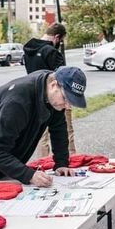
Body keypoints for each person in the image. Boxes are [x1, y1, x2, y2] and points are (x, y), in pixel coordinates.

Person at [0, 66, 87, 229]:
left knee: (5, 214)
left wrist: (62, 164)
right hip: (1, 152)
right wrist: (27, 174)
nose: (67, 105)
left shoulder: (51, 99)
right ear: (54, 85)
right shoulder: (19, 100)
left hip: (6, 156)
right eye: (66, 99)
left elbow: (58, 129)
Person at [23, 22, 76, 157]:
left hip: (36, 96)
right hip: (55, 96)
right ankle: (70, 159)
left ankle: (43, 163)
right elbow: (62, 78)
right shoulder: (52, 52)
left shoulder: (28, 51)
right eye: (61, 40)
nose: (60, 43)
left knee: (41, 135)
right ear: (57, 37)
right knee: (65, 131)